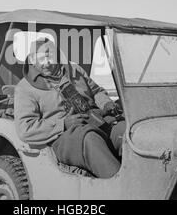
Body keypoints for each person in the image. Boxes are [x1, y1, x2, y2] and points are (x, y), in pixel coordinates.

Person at [14, 38, 125, 178]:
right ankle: (121, 186)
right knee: (91, 140)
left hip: (97, 120)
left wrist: (106, 103)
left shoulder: (75, 70)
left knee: (125, 131)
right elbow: (25, 129)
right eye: (41, 59)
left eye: (50, 58)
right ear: (31, 60)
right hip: (64, 136)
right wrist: (63, 124)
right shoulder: (25, 88)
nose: (47, 64)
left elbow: (97, 91)